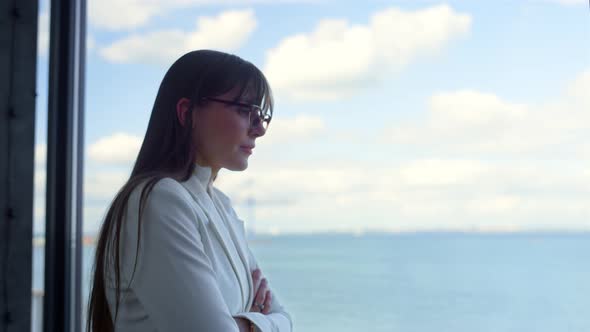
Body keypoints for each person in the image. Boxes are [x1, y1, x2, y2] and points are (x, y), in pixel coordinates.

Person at [86, 50, 293, 332]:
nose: (259, 129)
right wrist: (259, 320)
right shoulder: (159, 201)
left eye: (261, 114)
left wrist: (244, 323)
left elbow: (287, 319)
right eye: (245, 110)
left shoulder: (220, 206)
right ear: (187, 113)